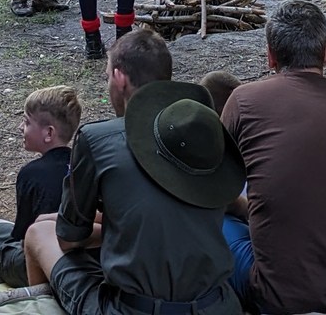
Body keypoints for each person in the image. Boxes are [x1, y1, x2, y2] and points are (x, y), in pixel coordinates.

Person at [23, 29, 244, 315]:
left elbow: (69, 239)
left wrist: (117, 228)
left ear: (119, 78)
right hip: (218, 306)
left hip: (132, 309)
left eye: (106, 78)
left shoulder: (98, 139)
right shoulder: (201, 134)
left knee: (40, 233)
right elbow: (232, 203)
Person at [220, 0, 326, 314]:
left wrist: (245, 209)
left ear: (270, 56)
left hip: (282, 296)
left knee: (217, 221)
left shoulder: (243, 100)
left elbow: (214, 188)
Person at [0, 86, 78, 288]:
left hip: (43, 264)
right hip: (82, 254)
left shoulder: (31, 173)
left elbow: (23, 236)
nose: (21, 127)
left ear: (49, 133)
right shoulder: (84, 163)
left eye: (27, 122)